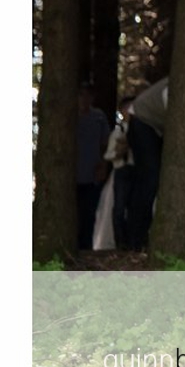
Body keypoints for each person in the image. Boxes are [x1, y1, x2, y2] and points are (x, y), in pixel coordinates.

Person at [117, 78, 169, 250]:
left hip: (153, 128)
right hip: (142, 122)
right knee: (149, 181)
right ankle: (135, 238)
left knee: (151, 182)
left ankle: (140, 236)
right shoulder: (175, 87)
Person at [73, 85, 113, 250]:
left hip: (92, 173)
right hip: (72, 174)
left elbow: (105, 142)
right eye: (81, 95)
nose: (84, 99)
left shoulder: (98, 117)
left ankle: (87, 246)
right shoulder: (69, 116)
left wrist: (103, 165)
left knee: (89, 213)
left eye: (88, 95)